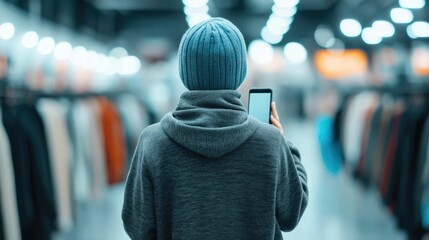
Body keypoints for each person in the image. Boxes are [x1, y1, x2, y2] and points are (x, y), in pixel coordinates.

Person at [122, 17, 308, 240]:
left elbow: (137, 227)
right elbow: (291, 214)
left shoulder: (153, 141)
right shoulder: (269, 141)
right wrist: (286, 147)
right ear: (239, 72)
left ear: (185, 71)